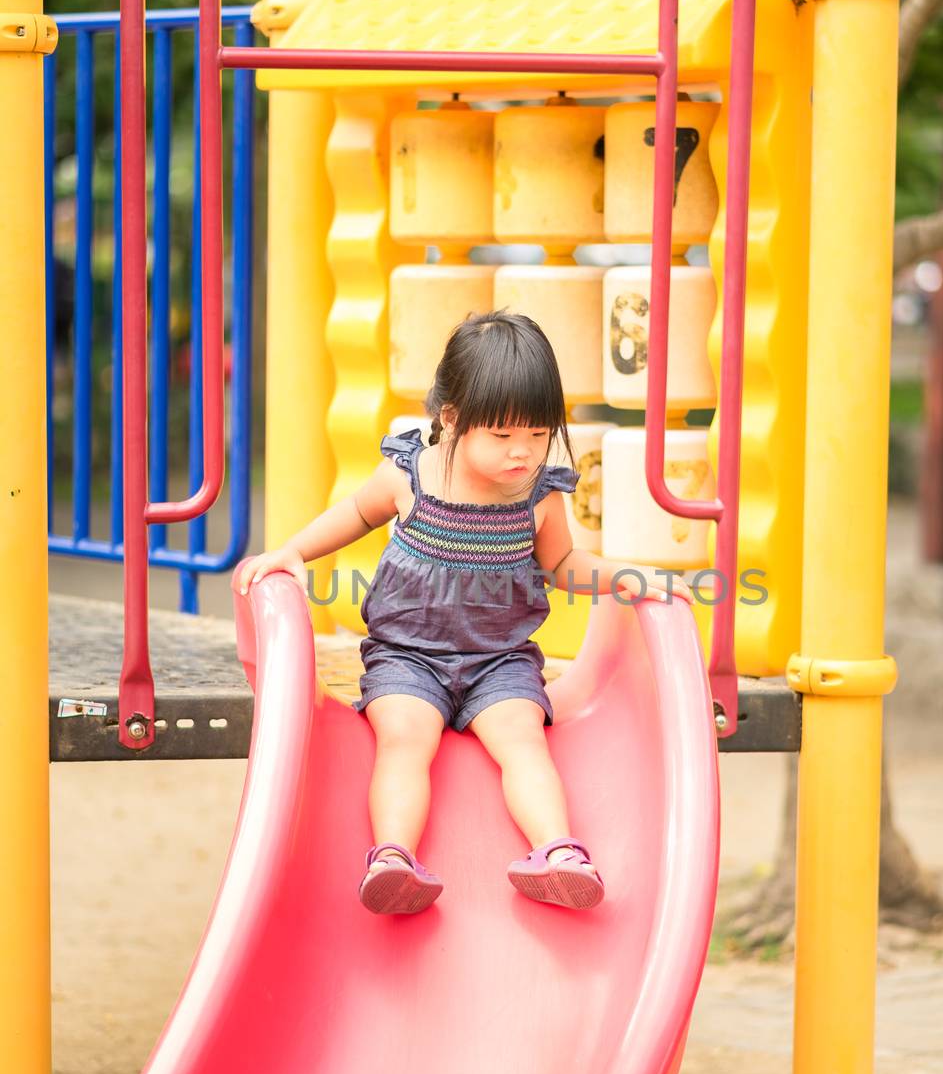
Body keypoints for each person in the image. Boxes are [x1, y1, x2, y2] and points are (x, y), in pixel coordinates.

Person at [237, 310, 693, 918]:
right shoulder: (412, 475)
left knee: (523, 739)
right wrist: (292, 551)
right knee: (404, 738)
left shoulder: (541, 494)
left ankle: (557, 853)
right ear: (452, 420)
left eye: (537, 435)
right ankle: (393, 857)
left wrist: (636, 579)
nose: (523, 453)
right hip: (409, 656)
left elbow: (565, 566)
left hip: (500, 661)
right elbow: (353, 514)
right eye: (503, 437)